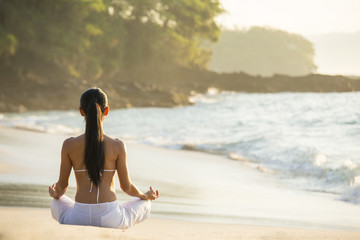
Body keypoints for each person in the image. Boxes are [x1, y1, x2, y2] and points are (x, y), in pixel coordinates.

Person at [49, 87, 159, 229]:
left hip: (78, 216)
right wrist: (144, 196)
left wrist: (55, 193)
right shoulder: (117, 145)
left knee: (56, 202)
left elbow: (62, 187)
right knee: (145, 204)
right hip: (110, 217)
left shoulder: (69, 145)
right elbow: (126, 187)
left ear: (82, 112)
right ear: (106, 111)